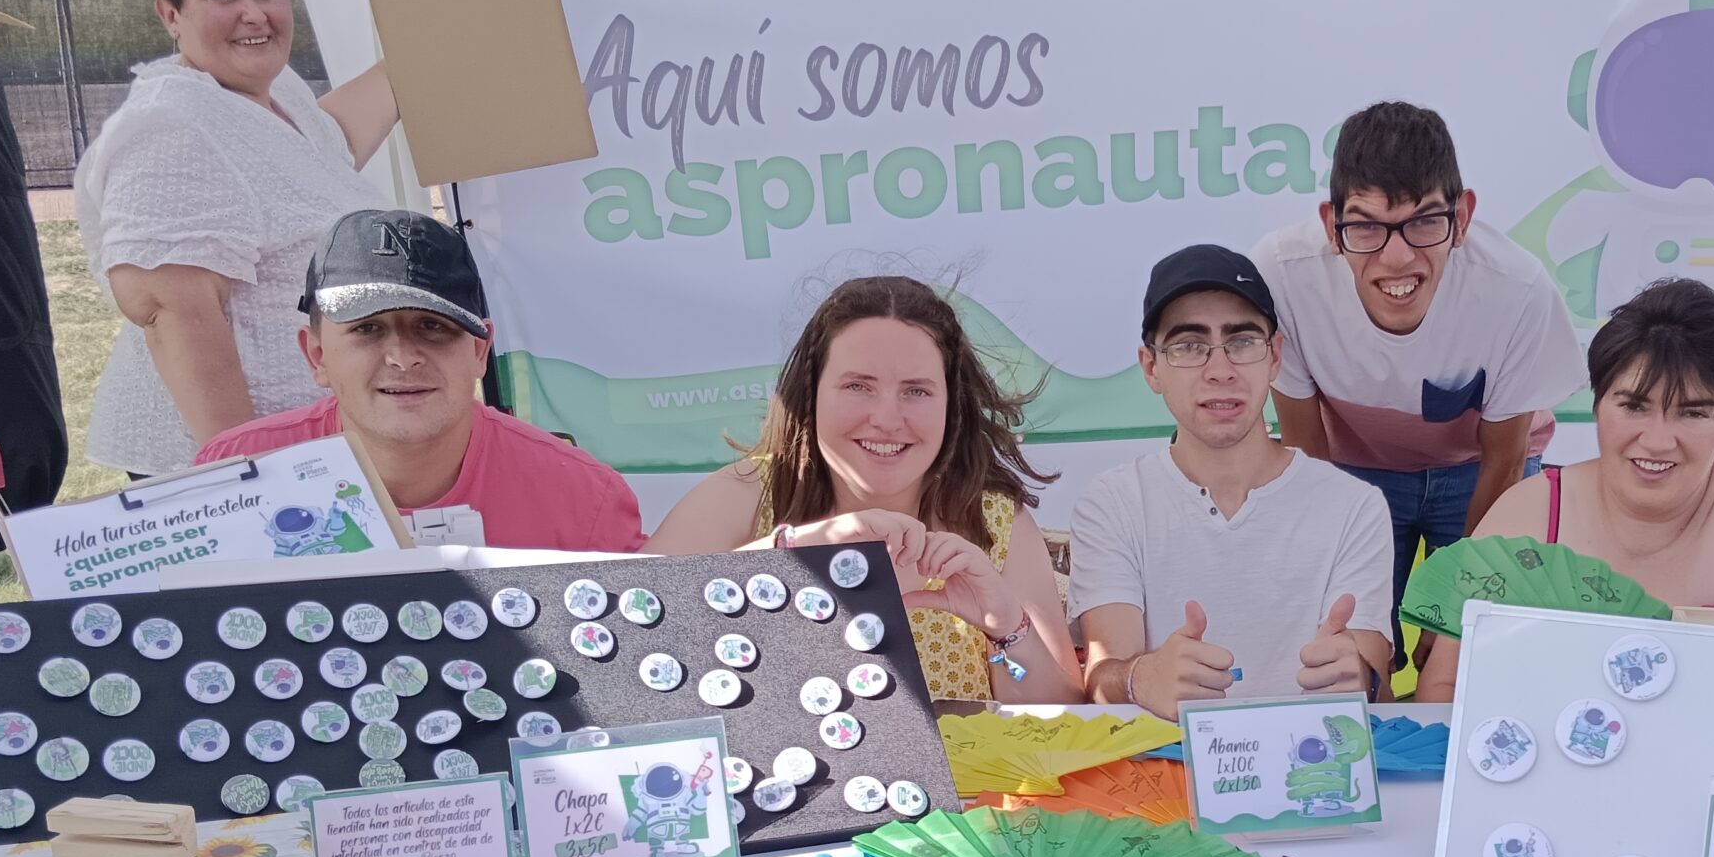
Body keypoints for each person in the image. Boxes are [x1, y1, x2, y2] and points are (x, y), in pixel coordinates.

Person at [77, 0, 401, 478]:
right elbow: (173, 312)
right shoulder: (171, 124)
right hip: (225, 466)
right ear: (171, 14)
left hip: (309, 443)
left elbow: (325, 151)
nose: (253, 13)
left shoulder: (276, 94)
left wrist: (422, 54)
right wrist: (246, 474)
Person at [644, 276, 1082, 700]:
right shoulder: (748, 493)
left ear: (952, 404)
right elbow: (623, 629)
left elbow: (1066, 724)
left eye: (916, 391)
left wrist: (1006, 627)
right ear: (810, 393)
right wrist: (783, 555)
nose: (887, 419)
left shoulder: (994, 520)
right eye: (858, 386)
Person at [1415, 277, 1714, 700]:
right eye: (1634, 407)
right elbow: (1445, 688)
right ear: (1598, 406)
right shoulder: (1527, 514)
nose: (1658, 441)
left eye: (1693, 414)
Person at [1252, 102, 1586, 647]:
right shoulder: (1282, 276)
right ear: (1330, 227)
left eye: (1425, 221)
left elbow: (1504, 458)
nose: (1397, 258)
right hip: (1353, 469)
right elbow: (1305, 446)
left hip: (1481, 471)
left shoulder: (1518, 290)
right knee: (1350, 643)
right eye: (1365, 227)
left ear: (1463, 218)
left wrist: (1459, 595)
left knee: (1474, 647)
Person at [1070, 245, 1395, 719]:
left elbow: (1371, 684)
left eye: (1241, 342)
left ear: (1275, 356)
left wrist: (1359, 679)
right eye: (1188, 346)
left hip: (1309, 774)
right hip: (1163, 776)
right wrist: (1141, 678)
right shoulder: (1114, 502)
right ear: (1151, 367)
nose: (1219, 370)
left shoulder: (1353, 506)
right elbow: (1101, 680)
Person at [194, 209, 645, 551]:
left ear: (478, 351)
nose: (403, 358)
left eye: (434, 327)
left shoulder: (585, 501)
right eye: (367, 328)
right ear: (317, 355)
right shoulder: (229, 480)